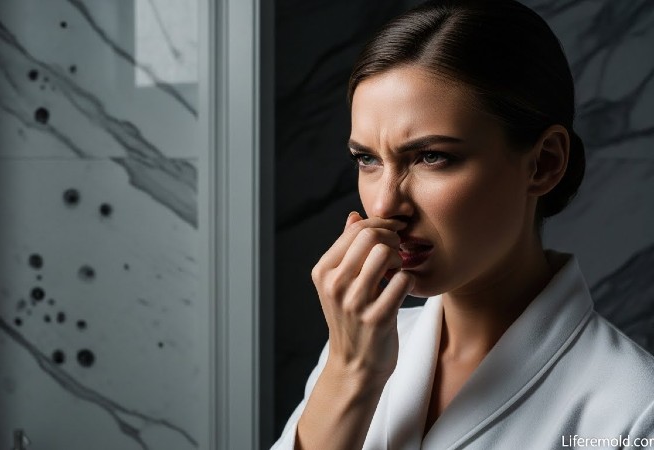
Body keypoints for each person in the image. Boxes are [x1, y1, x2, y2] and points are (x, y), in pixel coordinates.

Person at [270, 0, 654, 449]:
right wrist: (350, 374)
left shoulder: (633, 412)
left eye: (433, 157)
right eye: (367, 159)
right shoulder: (354, 354)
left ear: (544, 163)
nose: (386, 203)